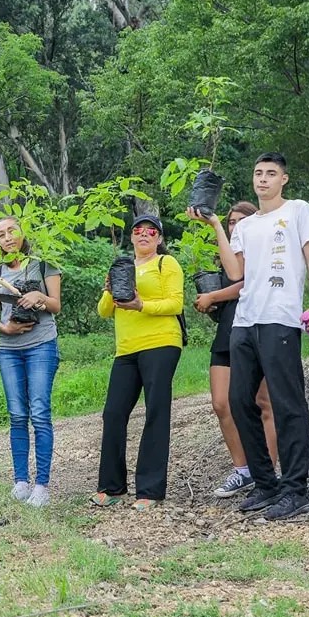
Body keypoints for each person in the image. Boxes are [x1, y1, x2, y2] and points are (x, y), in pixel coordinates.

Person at [188, 152, 309, 520]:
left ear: (284, 179)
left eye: (270, 173)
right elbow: (236, 272)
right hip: (245, 321)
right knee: (238, 401)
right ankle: (266, 484)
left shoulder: (297, 210)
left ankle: (296, 490)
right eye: (257, 173)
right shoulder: (246, 227)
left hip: (280, 318)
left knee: (287, 403)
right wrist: (218, 225)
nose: (262, 179)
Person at [92, 214, 184, 511]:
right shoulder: (123, 267)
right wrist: (109, 289)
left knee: (156, 411)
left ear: (159, 238)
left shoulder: (165, 264)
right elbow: (105, 312)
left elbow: (175, 303)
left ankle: (150, 490)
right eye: (138, 230)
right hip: (126, 349)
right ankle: (112, 486)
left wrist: (141, 304)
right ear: (132, 237)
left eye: (151, 231)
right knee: (113, 413)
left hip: (161, 342)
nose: (144, 234)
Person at [193, 201, 278, 498]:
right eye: (231, 222)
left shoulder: (264, 247)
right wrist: (212, 303)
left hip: (259, 327)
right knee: (221, 403)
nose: (235, 225)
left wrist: (213, 294)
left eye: (241, 220)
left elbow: (247, 283)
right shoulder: (229, 252)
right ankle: (243, 470)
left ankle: (265, 470)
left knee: (262, 402)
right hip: (228, 330)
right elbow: (233, 281)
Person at [0, 216, 62, 507]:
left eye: (11, 231)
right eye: (1, 234)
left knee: (40, 412)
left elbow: (56, 305)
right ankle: (20, 481)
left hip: (41, 345)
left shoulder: (42, 264)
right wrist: (6, 328)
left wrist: (38, 296)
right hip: (8, 349)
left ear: (22, 233)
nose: (7, 237)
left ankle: (42, 485)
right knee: (17, 414)